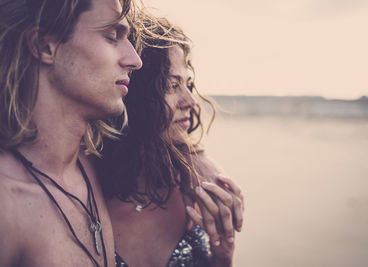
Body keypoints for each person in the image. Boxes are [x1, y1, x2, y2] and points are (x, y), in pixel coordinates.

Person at [0, 0, 142, 266]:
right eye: (112, 36)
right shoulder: (7, 205)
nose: (135, 60)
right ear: (45, 46)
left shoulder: (100, 169)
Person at [97, 16, 244, 267]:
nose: (191, 101)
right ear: (134, 90)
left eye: (188, 84)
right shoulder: (86, 190)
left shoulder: (189, 188)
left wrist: (223, 255)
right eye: (171, 85)